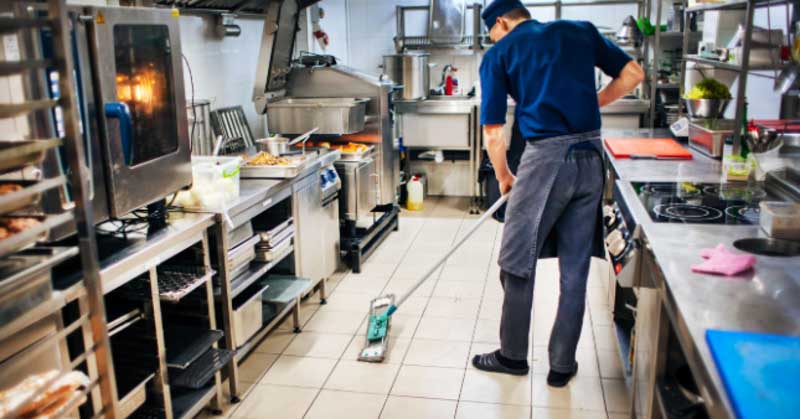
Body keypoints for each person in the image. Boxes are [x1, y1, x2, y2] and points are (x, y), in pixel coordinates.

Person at [471, 0, 644, 387]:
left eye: (491, 32)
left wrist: (503, 176)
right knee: (575, 267)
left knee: (516, 260)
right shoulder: (580, 30)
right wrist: (593, 102)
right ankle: (562, 365)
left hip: (546, 158)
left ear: (500, 22)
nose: (492, 39)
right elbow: (633, 74)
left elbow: (494, 132)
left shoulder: (500, 53)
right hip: (591, 156)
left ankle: (512, 356)